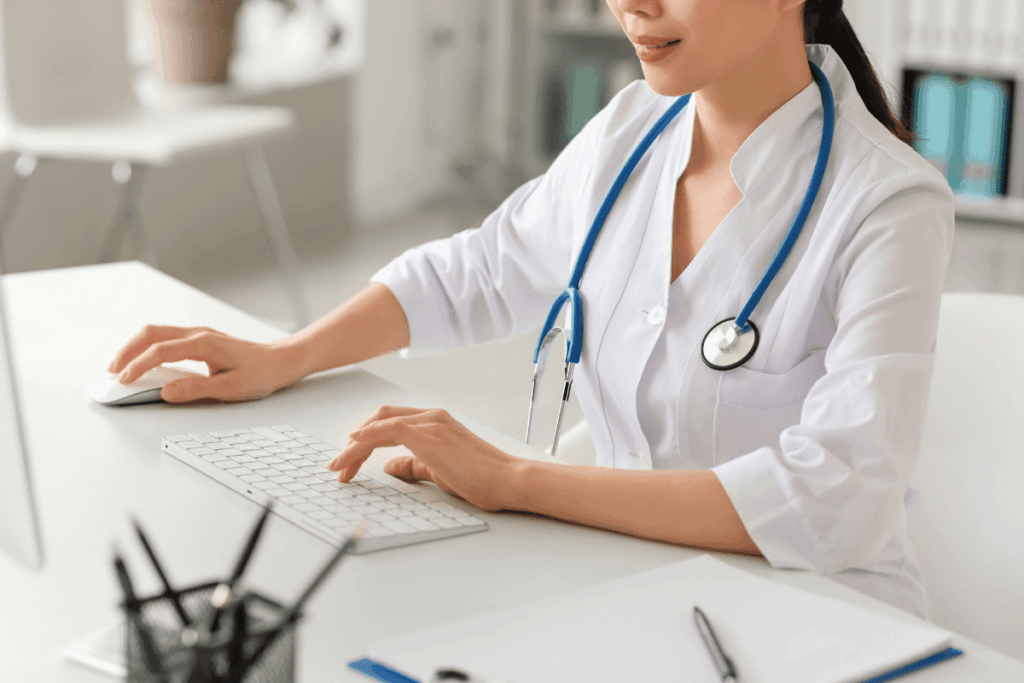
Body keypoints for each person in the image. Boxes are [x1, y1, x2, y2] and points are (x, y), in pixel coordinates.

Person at [109, 0, 953, 619]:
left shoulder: (887, 203)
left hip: (819, 620)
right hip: (627, 589)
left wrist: (514, 480)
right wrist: (284, 354)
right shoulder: (635, 128)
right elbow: (479, 270)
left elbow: (839, 497)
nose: (631, 5)